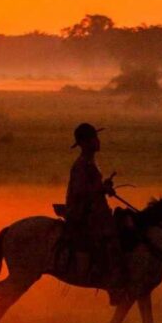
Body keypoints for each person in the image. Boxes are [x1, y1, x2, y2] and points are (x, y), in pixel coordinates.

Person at [65, 123, 125, 290]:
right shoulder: (81, 164)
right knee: (109, 237)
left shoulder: (90, 162)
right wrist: (102, 188)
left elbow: (91, 187)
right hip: (83, 213)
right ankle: (100, 274)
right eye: (94, 138)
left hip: (94, 210)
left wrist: (103, 187)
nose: (98, 141)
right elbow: (79, 191)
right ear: (84, 143)